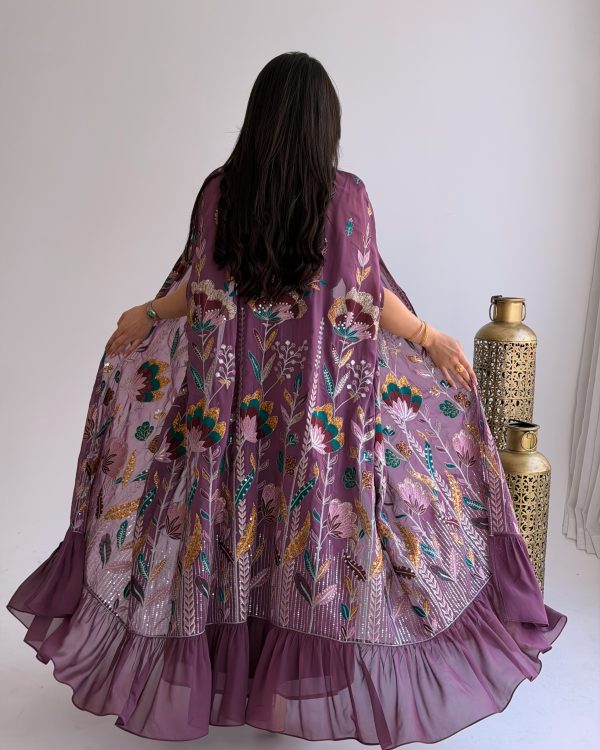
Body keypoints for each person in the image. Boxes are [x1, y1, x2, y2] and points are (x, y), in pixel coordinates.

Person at [7, 52, 566, 749]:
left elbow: (202, 291)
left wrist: (147, 314)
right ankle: (282, 685)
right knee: (308, 536)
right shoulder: (346, 199)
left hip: (228, 422)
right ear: (323, 126)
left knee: (229, 532)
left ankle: (234, 677)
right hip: (315, 424)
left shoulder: (220, 193)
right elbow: (364, 300)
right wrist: (428, 336)